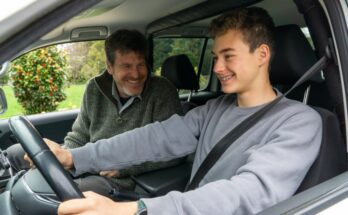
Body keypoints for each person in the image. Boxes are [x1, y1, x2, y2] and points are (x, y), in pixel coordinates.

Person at [46, 7, 322, 215]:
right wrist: (73, 156)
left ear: (262, 55)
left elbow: (246, 194)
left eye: (228, 56)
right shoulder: (214, 109)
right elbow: (152, 138)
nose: (216, 69)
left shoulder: (299, 122)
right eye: (215, 58)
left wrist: (135, 208)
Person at [7, 29, 184, 196]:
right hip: (87, 160)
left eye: (141, 65)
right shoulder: (95, 88)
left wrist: (125, 167)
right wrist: (64, 156)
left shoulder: (162, 92)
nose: (136, 74)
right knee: (16, 152)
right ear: (110, 67)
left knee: (64, 192)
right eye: (127, 66)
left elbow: (175, 150)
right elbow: (79, 135)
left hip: (119, 178)